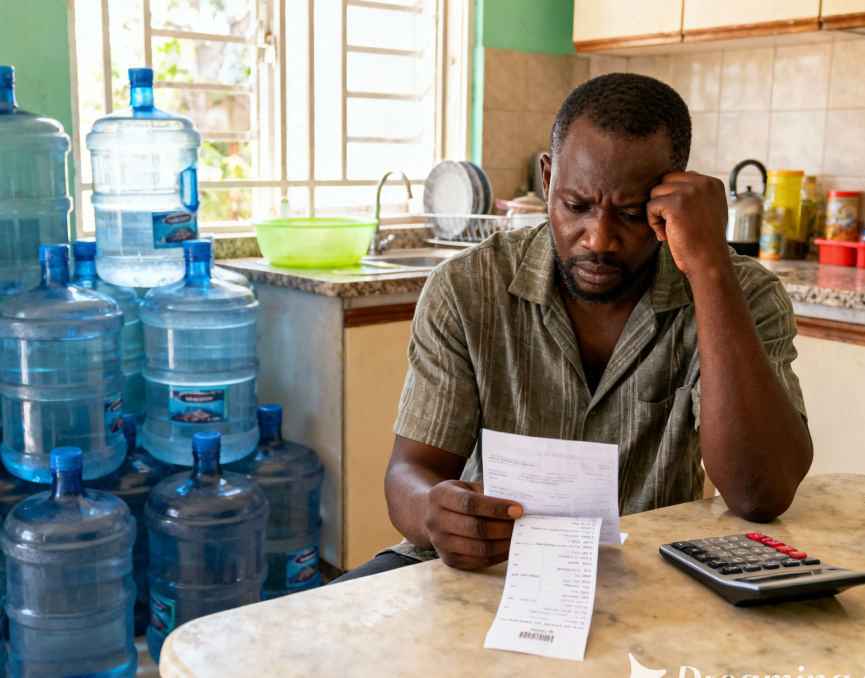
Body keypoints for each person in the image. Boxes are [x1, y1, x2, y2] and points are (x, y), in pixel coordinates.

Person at [332, 73, 812, 584]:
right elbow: (409, 472)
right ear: (547, 179)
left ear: (671, 200)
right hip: (483, 570)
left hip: (645, 581)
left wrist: (710, 267)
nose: (598, 239)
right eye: (576, 206)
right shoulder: (467, 287)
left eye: (631, 214)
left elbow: (760, 494)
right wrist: (437, 513)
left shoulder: (740, 293)